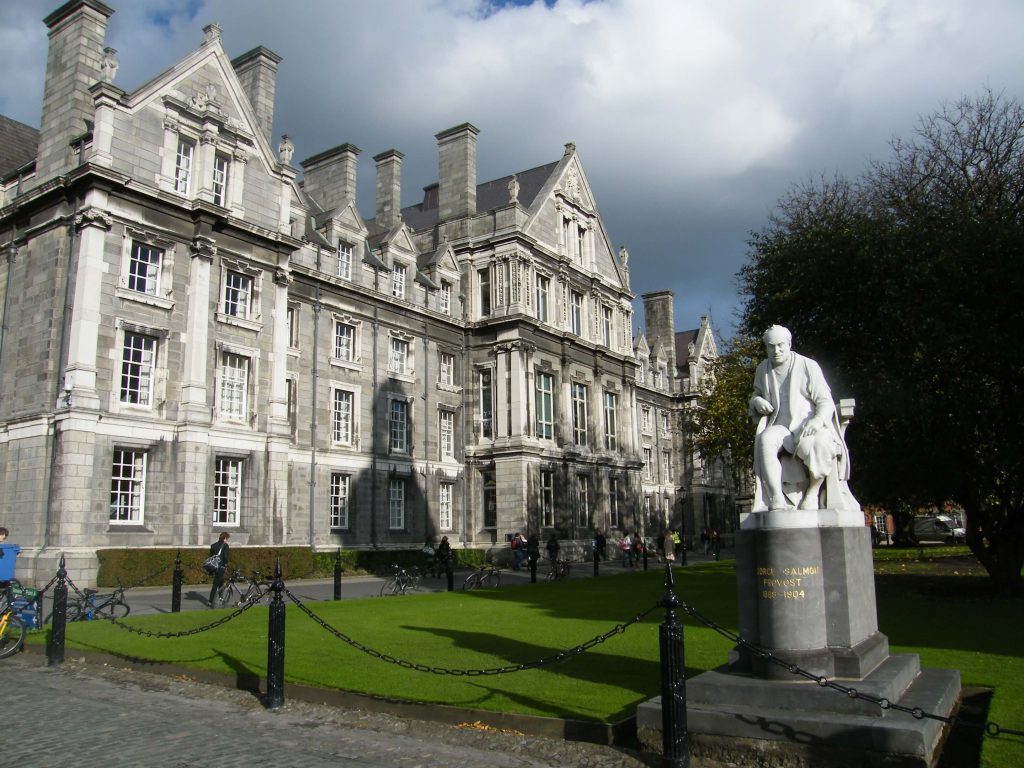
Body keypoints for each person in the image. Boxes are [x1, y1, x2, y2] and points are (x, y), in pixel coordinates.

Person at [749, 325, 849, 512]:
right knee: (765, 439)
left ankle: (812, 491)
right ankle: (776, 498)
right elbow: (755, 394)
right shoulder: (763, 369)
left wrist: (817, 421)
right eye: (771, 346)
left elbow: (825, 401)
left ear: (789, 344)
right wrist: (757, 401)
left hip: (807, 424)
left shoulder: (808, 365)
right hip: (780, 426)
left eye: (780, 345)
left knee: (817, 445)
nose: (776, 351)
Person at [207, 532, 230, 607]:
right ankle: (211, 601)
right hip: (221, 567)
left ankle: (220, 598)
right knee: (216, 584)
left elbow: (210, 557)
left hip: (214, 567)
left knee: (220, 583)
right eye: (227, 539)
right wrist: (226, 564)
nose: (227, 540)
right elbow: (225, 557)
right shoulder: (225, 546)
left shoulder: (213, 545)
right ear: (225, 538)